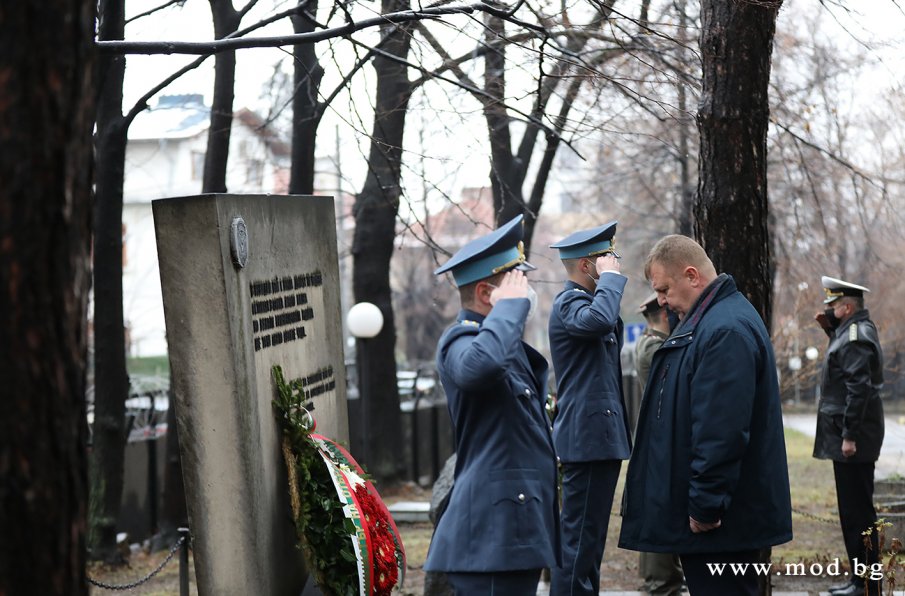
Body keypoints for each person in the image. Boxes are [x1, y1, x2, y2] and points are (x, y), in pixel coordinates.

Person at [618, 235, 792, 596]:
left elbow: (722, 432)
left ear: (692, 275)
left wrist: (705, 507)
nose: (661, 301)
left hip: (721, 527)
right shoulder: (711, 322)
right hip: (722, 523)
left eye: (664, 289)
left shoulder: (723, 330)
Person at [423, 215, 560, 595]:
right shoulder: (460, 342)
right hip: (492, 537)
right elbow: (479, 368)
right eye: (517, 284)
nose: (526, 294)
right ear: (487, 295)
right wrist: (508, 311)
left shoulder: (502, 344)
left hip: (517, 530)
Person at [547, 221, 632, 595]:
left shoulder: (589, 303)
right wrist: (611, 282)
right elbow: (598, 321)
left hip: (598, 440)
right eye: (606, 258)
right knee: (578, 544)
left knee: (590, 544)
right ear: (587, 266)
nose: (614, 264)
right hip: (586, 441)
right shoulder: (569, 303)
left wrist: (608, 284)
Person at [814, 276, 885, 596]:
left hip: (852, 440)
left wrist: (849, 436)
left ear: (846, 307)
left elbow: (859, 390)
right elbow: (846, 374)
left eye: (832, 306)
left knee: (858, 515)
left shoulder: (855, 336)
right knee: (853, 513)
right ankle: (861, 580)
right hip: (847, 436)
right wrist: (831, 331)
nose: (827, 309)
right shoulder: (849, 332)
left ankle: (866, 585)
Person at [633, 293, 684, 596]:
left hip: (657, 441)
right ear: (666, 316)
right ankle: (660, 584)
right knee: (659, 516)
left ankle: (663, 580)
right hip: (657, 443)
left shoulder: (652, 343)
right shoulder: (654, 348)